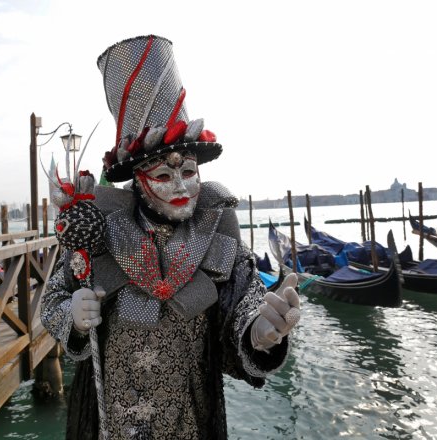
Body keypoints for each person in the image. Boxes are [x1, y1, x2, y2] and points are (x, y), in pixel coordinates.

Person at [41, 34, 301, 440]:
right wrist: (72, 316)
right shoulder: (97, 231)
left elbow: (243, 299)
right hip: (111, 421)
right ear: (139, 182)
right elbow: (54, 299)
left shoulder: (218, 234)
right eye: (163, 174)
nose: (181, 185)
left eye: (189, 171)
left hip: (191, 420)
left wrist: (260, 333)